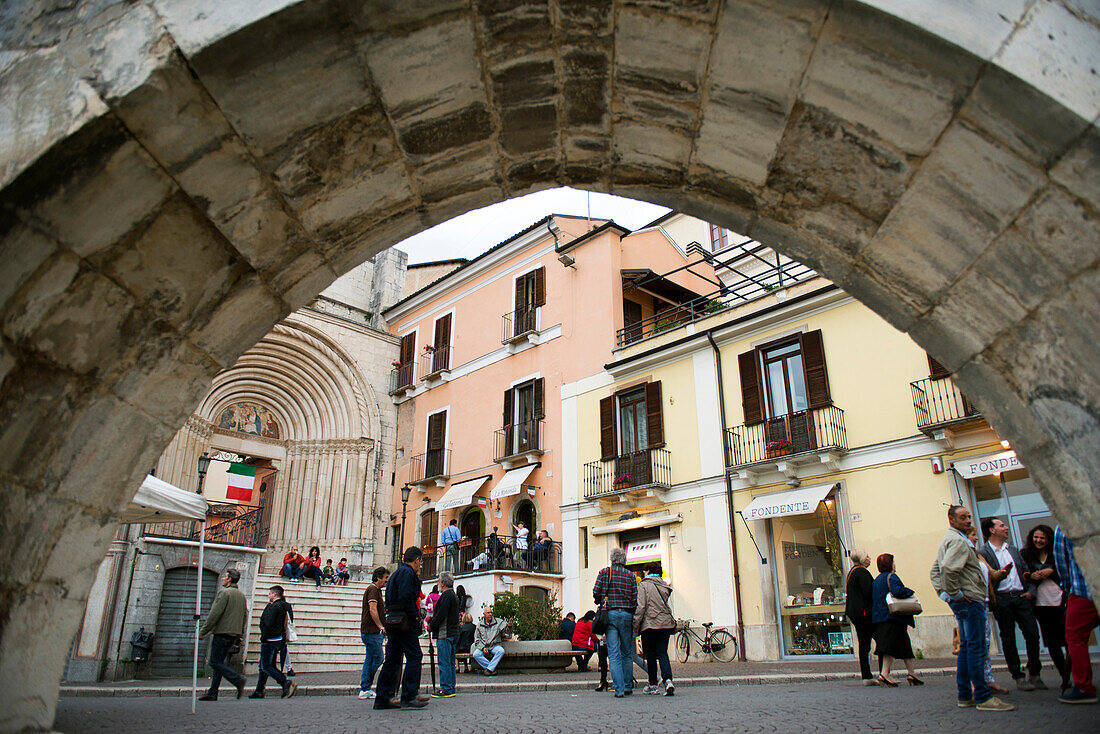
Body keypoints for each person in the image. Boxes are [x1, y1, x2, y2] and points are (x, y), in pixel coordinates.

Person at [931, 505, 1014, 711]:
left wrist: (944, 594)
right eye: (963, 517)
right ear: (951, 520)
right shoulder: (958, 541)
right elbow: (948, 569)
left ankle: (965, 694)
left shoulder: (950, 539)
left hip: (966, 600)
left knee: (967, 648)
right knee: (975, 649)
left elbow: (935, 570)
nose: (968, 520)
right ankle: (983, 697)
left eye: (969, 517)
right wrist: (956, 595)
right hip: (970, 600)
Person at [979, 517, 1044, 690]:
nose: (1006, 527)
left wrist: (1030, 591)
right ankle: (1018, 676)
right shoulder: (983, 553)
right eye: (1001, 525)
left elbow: (1026, 572)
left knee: (1033, 634)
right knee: (1008, 639)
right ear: (992, 531)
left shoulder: (1013, 550)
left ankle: (1035, 672)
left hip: (1021, 598)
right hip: (1002, 600)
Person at [374, 547, 429, 710]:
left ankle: (382, 697)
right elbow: (407, 597)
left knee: (392, 659)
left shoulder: (396, 573)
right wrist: (414, 616)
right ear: (417, 560)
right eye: (420, 562)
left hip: (393, 620)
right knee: (414, 655)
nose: (421, 565)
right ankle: (409, 695)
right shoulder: (408, 574)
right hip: (404, 622)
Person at [1053, 525, 1099, 704]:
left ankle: (1084, 687)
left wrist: (1067, 586)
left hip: (1083, 590)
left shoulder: (1064, 526)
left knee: (1075, 638)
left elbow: (1061, 562)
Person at [1022, 524, 1071, 692]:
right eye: (1036, 537)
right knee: (1052, 643)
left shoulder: (1056, 555)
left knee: (1069, 640)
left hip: (1060, 602)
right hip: (1041, 604)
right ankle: (1065, 677)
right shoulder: (1026, 554)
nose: (1038, 540)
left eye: (1042, 537)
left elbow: (1066, 570)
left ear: (1048, 539)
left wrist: (1051, 571)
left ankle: (1074, 673)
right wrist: (1031, 575)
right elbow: (1022, 573)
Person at [967, 526, 1011, 695]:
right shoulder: (963, 555)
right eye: (972, 535)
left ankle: (988, 679)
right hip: (972, 603)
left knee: (984, 644)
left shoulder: (978, 555)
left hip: (984, 602)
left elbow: (992, 574)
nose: (976, 538)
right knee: (975, 644)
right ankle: (975, 682)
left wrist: (1002, 573)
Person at [197, 569, 249, 701]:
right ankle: (213, 692)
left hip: (222, 632)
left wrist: (203, 630)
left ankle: (237, 679)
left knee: (214, 662)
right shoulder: (241, 596)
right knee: (220, 662)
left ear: (230, 579)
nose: (222, 579)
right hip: (233, 634)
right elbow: (245, 616)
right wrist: (240, 634)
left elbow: (215, 614)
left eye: (225, 577)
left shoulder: (224, 593)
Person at [871, 553, 921, 687]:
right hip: (892, 617)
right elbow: (898, 591)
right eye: (893, 562)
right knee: (890, 646)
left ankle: (911, 673)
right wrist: (909, 591)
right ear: (890, 564)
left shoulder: (877, 580)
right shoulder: (891, 577)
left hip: (881, 617)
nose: (895, 564)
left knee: (903, 644)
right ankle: (885, 673)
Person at [593, 547, 637, 698]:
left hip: (610, 614)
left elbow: (596, 592)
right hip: (626, 615)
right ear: (624, 560)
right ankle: (627, 686)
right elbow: (634, 599)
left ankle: (618, 689)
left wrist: (601, 600)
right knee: (627, 653)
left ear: (612, 559)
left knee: (613, 653)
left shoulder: (604, 573)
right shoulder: (631, 575)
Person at [634, 561, 675, 696]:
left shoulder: (644, 585)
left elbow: (641, 607)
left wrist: (636, 625)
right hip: (665, 623)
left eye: (644, 571)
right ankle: (668, 681)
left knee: (651, 654)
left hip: (650, 624)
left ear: (648, 571)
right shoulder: (664, 585)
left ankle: (653, 684)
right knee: (663, 652)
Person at [250, 584, 297, 699]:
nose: (268, 595)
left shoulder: (274, 607)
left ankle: (285, 682)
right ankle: (259, 690)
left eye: (270, 593)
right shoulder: (284, 606)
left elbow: (268, 623)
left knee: (265, 665)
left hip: (270, 639)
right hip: (278, 639)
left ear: (275, 594)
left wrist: (264, 637)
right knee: (265, 665)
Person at [845, 548, 876, 685]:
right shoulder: (862, 573)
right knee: (873, 641)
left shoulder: (851, 573)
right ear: (863, 559)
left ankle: (867, 675)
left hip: (855, 613)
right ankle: (879, 673)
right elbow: (869, 592)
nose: (870, 558)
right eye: (867, 556)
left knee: (863, 643)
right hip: (864, 613)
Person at [358, 566, 389, 700]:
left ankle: (365, 687)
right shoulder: (373, 590)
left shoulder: (375, 590)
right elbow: (372, 609)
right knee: (378, 658)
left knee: (370, 658)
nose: (387, 580)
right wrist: (381, 626)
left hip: (370, 631)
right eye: (386, 578)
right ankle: (366, 684)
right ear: (378, 578)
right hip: (372, 631)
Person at [429, 572, 460, 698]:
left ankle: (446, 688)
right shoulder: (453, 595)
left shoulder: (446, 596)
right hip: (452, 632)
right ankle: (450, 686)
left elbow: (441, 614)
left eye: (438, 581)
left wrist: (432, 625)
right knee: (450, 661)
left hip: (444, 633)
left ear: (443, 583)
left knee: (444, 661)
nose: (437, 583)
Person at [472, 606, 515, 675]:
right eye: (488, 613)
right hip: (484, 646)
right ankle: (492, 668)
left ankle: (489, 669)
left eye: (491, 612)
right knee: (476, 654)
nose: (490, 614)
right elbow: (477, 639)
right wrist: (482, 647)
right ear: (484, 614)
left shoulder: (499, 622)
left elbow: (507, 632)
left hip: (495, 645)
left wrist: (509, 626)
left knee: (501, 651)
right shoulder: (479, 625)